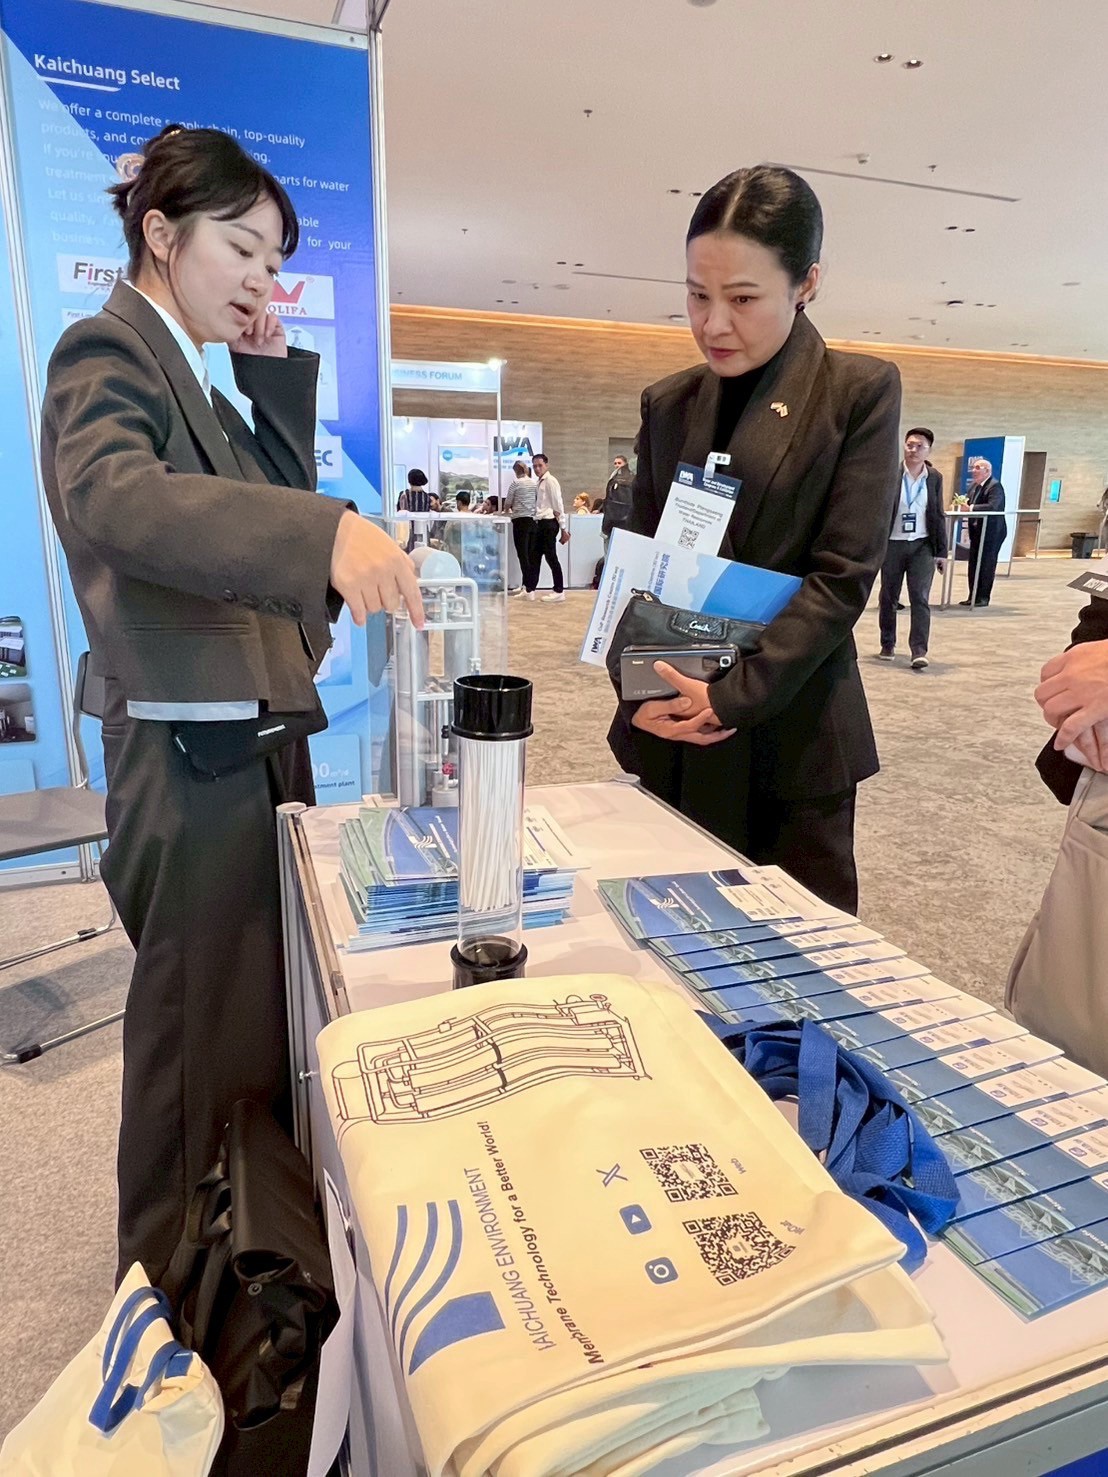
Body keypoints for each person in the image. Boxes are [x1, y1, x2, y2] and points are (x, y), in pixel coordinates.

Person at [39, 124, 423, 1282]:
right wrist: (326, 532)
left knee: (254, 1016)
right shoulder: (104, 349)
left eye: (275, 261)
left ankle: (241, 1261)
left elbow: (260, 517)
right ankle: (165, 1287)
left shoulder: (193, 372)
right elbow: (120, 499)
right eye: (242, 249)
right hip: (184, 753)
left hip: (249, 730)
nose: (262, 278)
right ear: (161, 234)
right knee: (193, 1036)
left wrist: (267, 375)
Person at [607, 165, 901, 912]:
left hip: (790, 729)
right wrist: (634, 684)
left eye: (742, 299)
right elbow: (639, 563)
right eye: (696, 296)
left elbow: (842, 577)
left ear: (807, 283)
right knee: (672, 937)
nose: (713, 324)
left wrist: (731, 694)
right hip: (673, 720)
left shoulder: (855, 394)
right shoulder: (669, 402)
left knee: (797, 952)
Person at [877, 427, 946, 670]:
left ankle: (919, 650)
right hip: (892, 544)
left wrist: (941, 552)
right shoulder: (891, 473)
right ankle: (887, 643)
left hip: (922, 545)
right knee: (889, 596)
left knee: (920, 597)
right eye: (910, 445)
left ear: (928, 450)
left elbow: (938, 514)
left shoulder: (934, 477)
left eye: (919, 446)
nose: (913, 450)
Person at [961, 457, 1005, 607]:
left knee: (986, 564)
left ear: (987, 471)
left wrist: (971, 508)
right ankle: (972, 596)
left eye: (977, 468)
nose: (973, 471)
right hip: (977, 531)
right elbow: (967, 503)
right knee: (974, 563)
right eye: (973, 468)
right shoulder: (974, 486)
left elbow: (993, 506)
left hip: (992, 533)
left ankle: (983, 597)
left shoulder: (995, 486)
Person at [532, 452, 569, 603]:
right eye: (534, 466)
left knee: (551, 556)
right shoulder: (539, 482)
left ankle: (559, 590)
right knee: (535, 556)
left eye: (540, 465)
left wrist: (563, 527)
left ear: (546, 465)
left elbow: (558, 505)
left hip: (549, 523)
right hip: (541, 523)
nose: (537, 469)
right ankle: (530, 588)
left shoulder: (551, 481)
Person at [503, 458, 537, 596]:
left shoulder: (515, 483)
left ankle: (528, 587)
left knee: (522, 555)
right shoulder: (534, 483)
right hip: (533, 521)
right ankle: (526, 585)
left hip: (520, 521)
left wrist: (506, 510)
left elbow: (508, 502)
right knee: (529, 554)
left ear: (516, 471)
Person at [601, 454, 635, 551]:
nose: (617, 465)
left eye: (619, 463)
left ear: (625, 464)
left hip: (615, 520)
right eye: (615, 463)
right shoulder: (614, 477)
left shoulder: (617, 481)